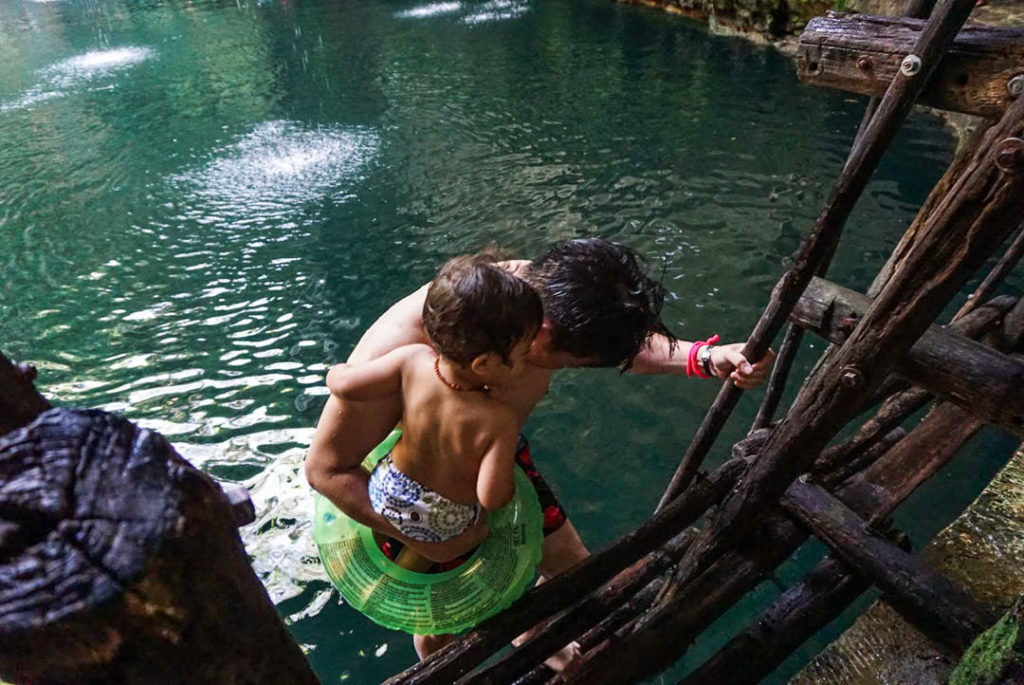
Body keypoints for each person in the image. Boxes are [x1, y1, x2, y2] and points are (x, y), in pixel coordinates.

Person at [306, 237, 775, 664]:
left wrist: (704, 358)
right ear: (542, 336)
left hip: (494, 460)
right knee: (440, 620)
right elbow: (325, 470)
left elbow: (615, 347)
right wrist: (428, 538)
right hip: (413, 499)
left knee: (571, 569)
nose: (571, 371)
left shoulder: (535, 298)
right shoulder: (405, 348)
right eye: (574, 363)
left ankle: (537, 642)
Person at [326, 252, 541, 558]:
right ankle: (453, 548)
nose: (526, 363)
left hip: (383, 492)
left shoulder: (410, 360)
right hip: (442, 523)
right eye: (522, 355)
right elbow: (491, 497)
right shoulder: (499, 419)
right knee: (479, 527)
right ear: (483, 363)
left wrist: (334, 372)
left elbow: (346, 386)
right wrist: (508, 492)